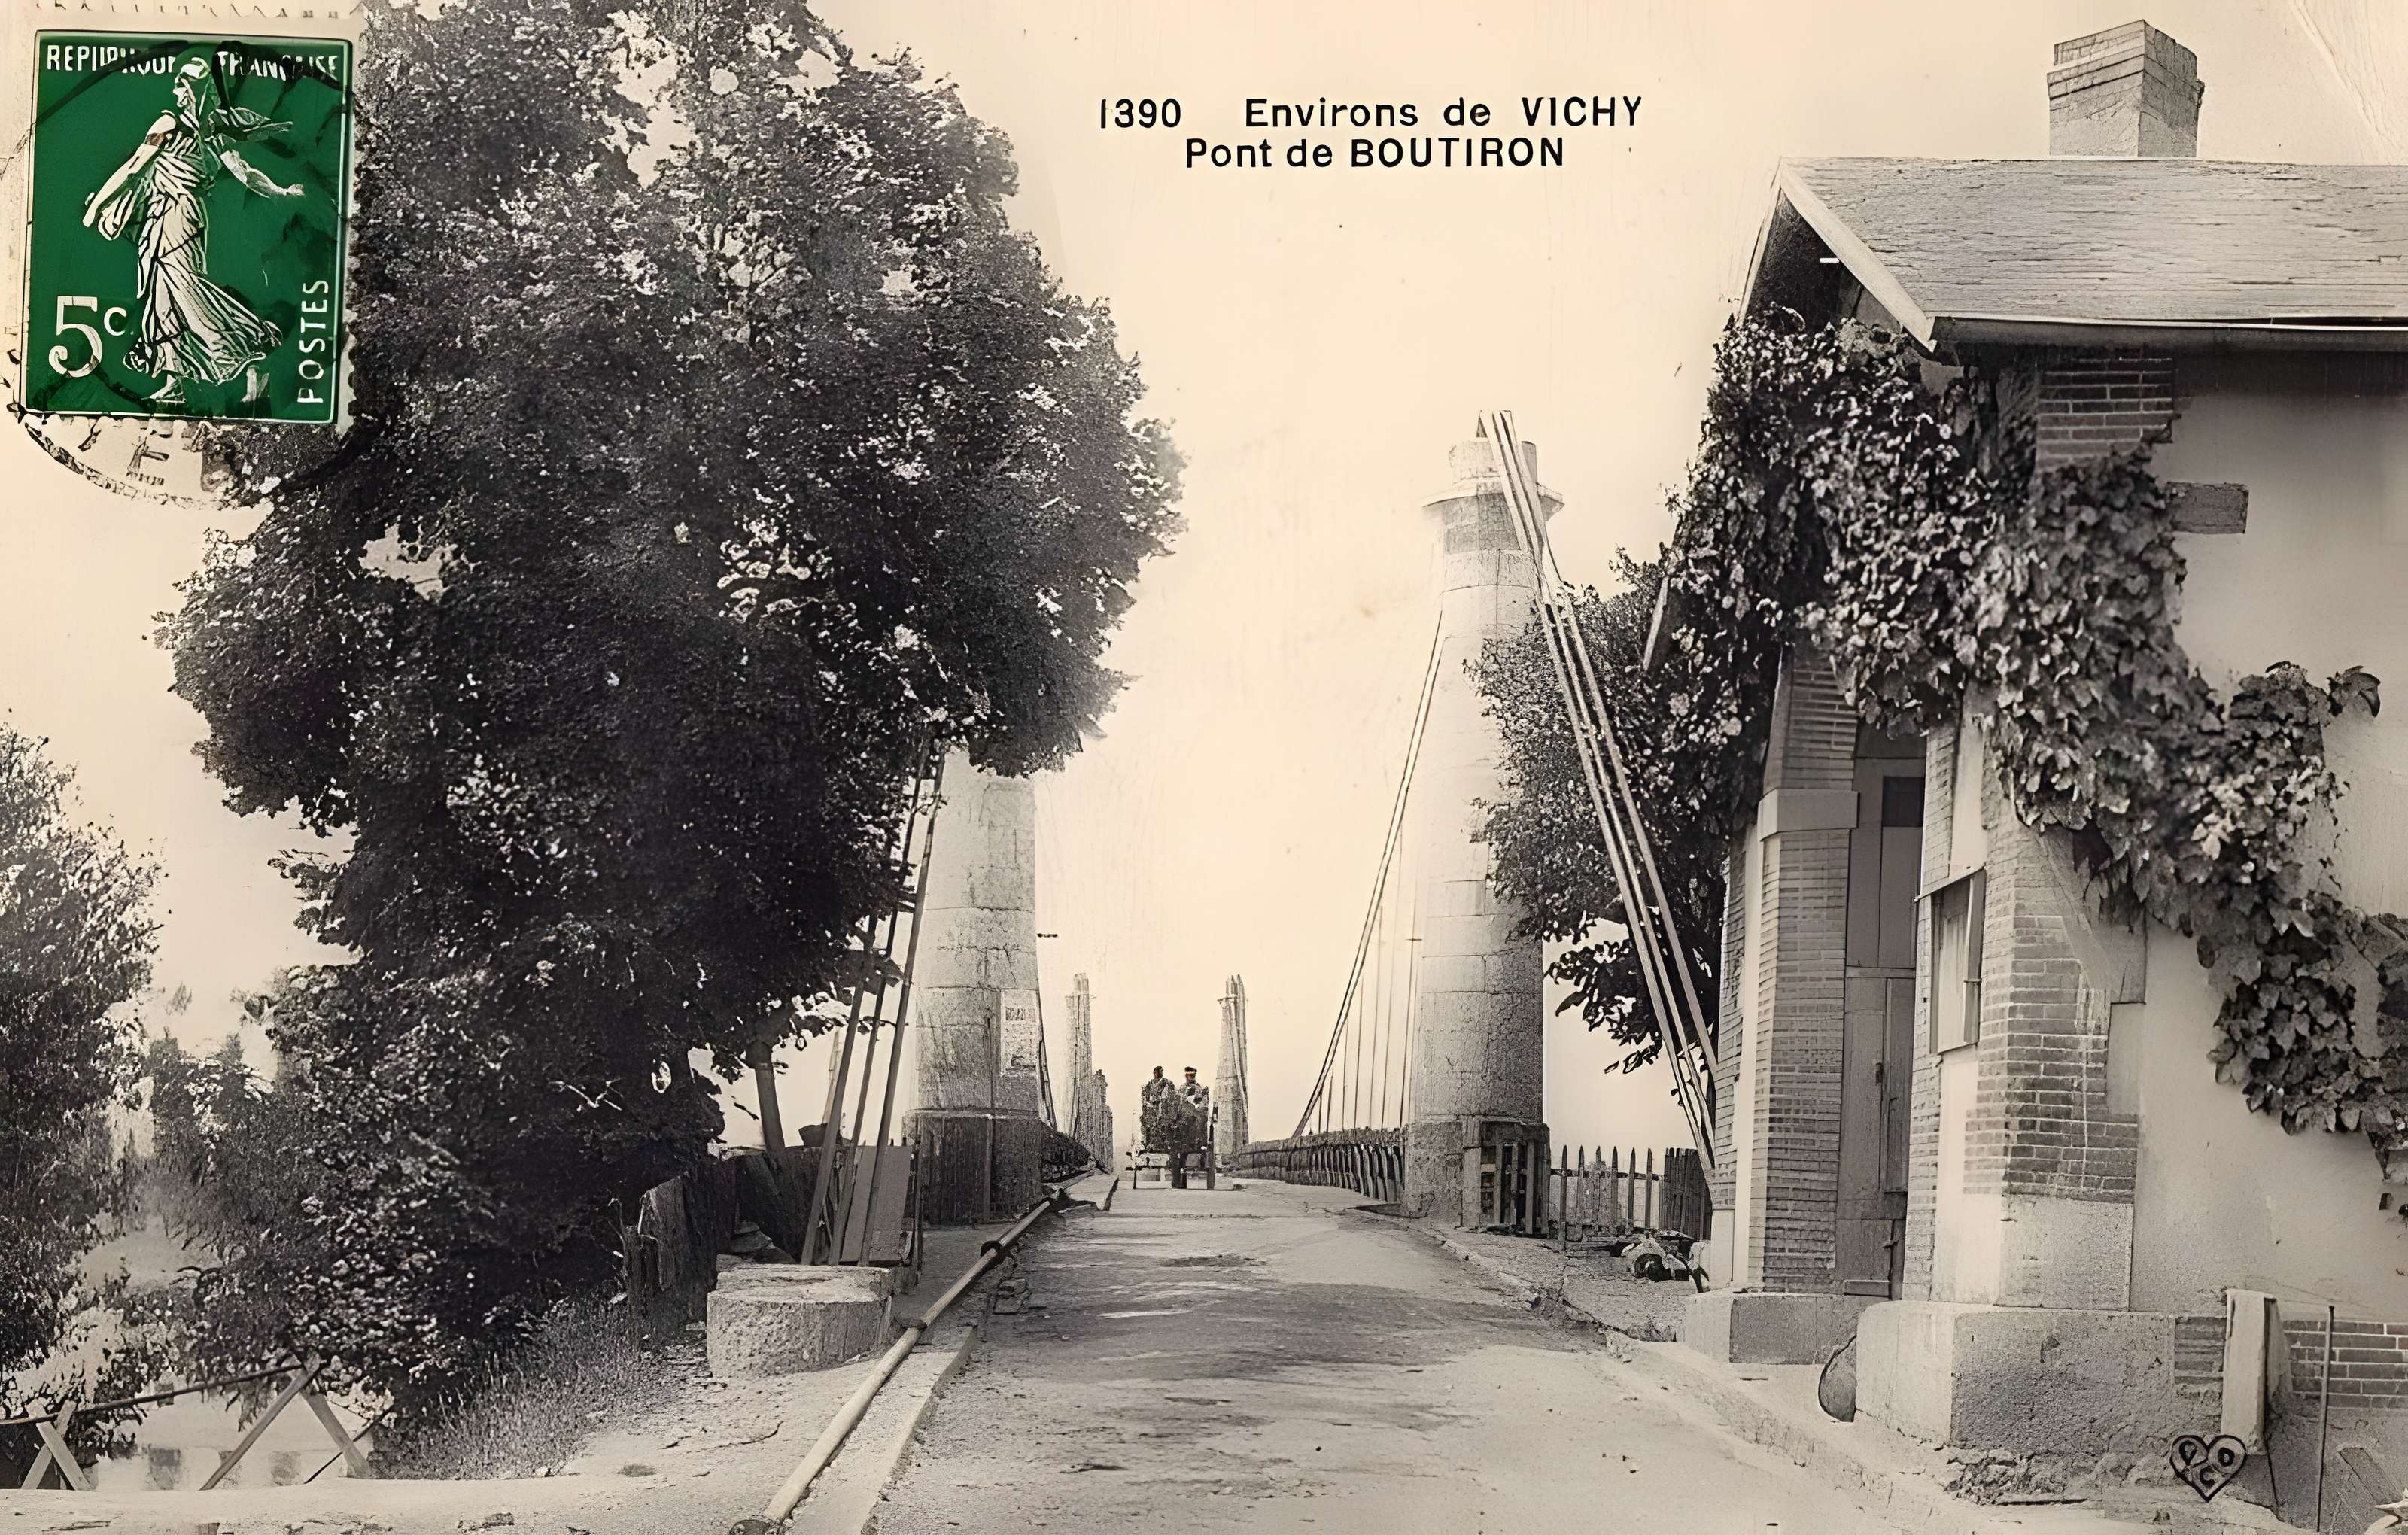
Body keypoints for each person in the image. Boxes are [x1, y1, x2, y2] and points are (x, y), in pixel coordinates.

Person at [82, 52, 303, 407]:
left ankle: (249, 352)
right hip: (160, 215)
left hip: (182, 217)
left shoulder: (210, 135)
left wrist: (281, 192)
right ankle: (175, 381)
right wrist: (99, 205)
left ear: (197, 90)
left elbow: (246, 174)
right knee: (161, 295)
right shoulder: (175, 126)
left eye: (183, 84)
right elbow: (135, 166)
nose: (176, 90)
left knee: (186, 289)